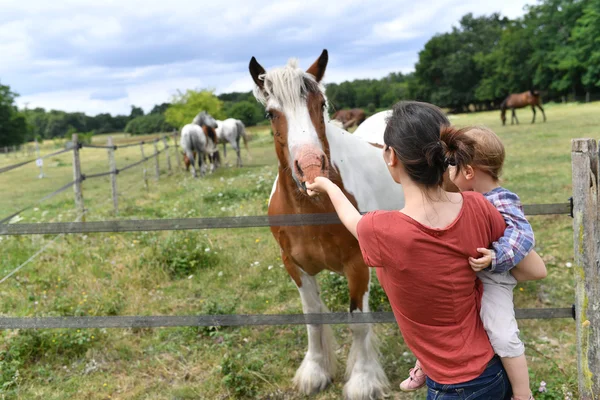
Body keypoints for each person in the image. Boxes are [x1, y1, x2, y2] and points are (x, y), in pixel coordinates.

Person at [305, 101, 543, 399]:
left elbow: (352, 219)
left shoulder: (381, 229)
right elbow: (535, 269)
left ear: (390, 156)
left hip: (449, 386)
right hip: (493, 373)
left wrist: (328, 186)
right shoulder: (479, 207)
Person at [397, 125, 547, 400]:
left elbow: (523, 234)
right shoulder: (462, 198)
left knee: (501, 332)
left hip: (496, 277)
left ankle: (524, 394)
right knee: (443, 319)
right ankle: (423, 365)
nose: (447, 171)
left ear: (467, 172)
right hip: (476, 274)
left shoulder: (501, 199)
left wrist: (496, 256)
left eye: (451, 164)